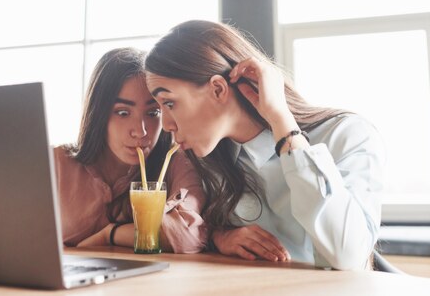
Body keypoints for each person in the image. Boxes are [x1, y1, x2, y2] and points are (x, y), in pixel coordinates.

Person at [144, 20, 386, 270]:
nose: (166, 124)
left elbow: (349, 257)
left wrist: (283, 124)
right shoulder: (207, 161)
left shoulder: (347, 134)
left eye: (169, 103)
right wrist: (219, 238)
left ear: (218, 89)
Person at [53, 47, 207, 253]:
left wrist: (110, 234)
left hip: (143, 283)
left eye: (153, 113)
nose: (140, 131)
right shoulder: (55, 164)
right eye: (123, 112)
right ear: (99, 114)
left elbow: (187, 236)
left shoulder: (175, 164)